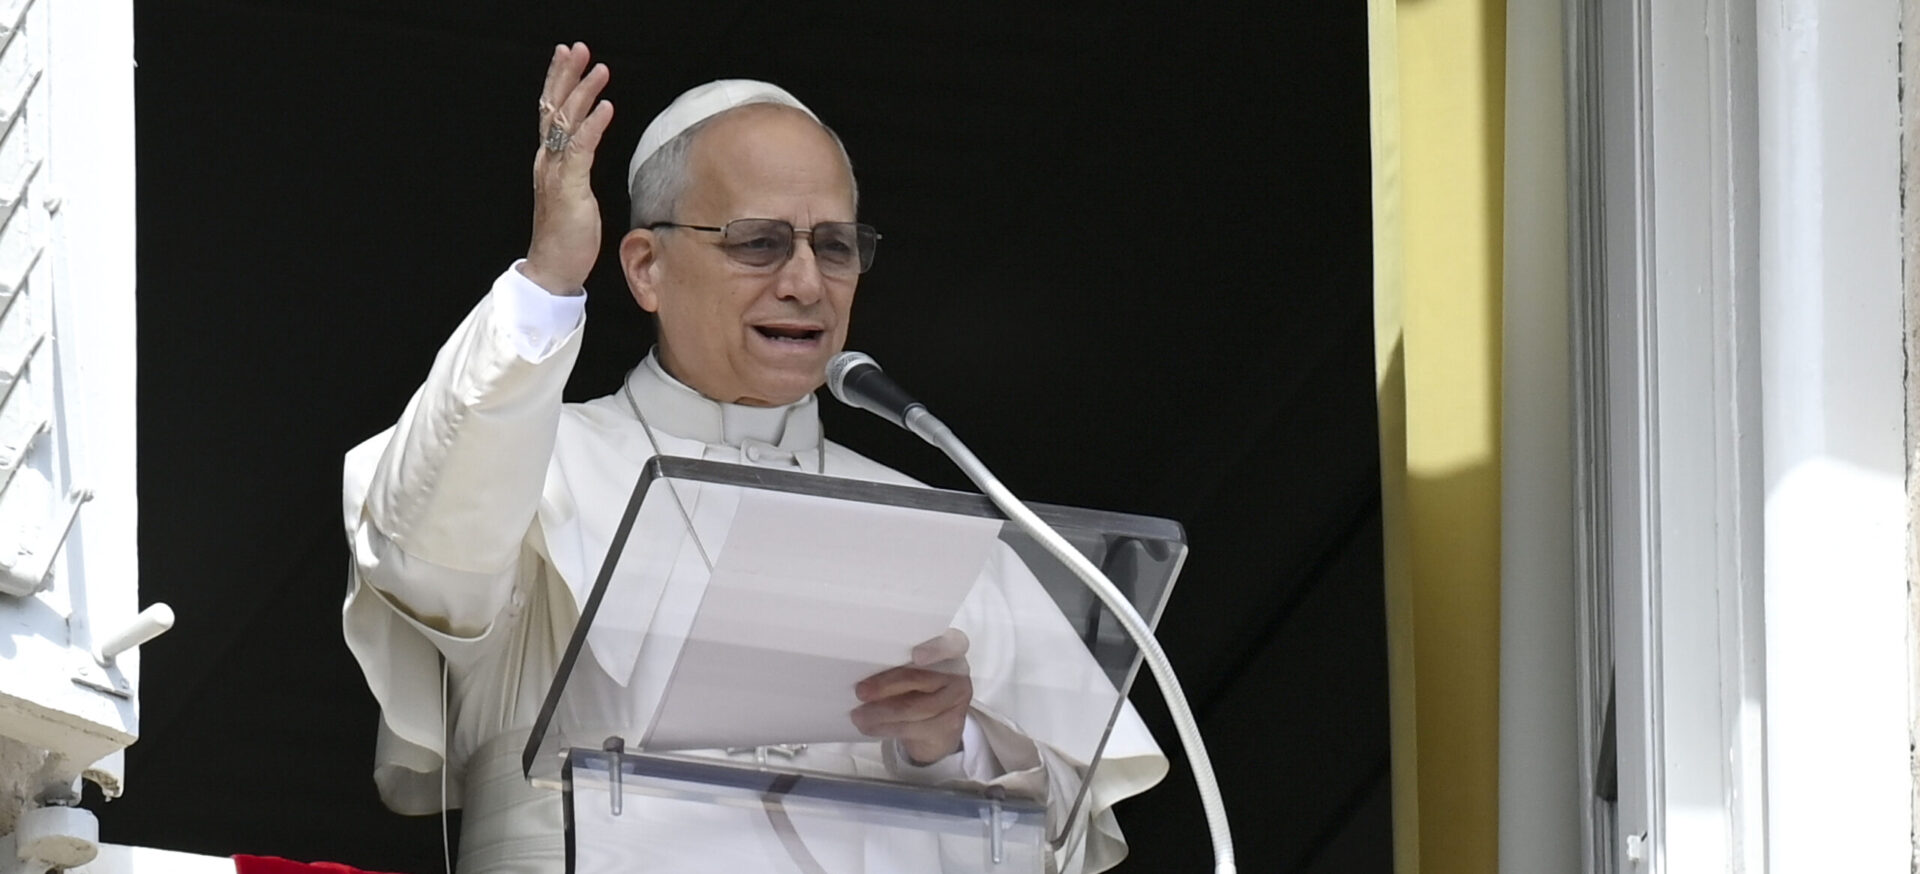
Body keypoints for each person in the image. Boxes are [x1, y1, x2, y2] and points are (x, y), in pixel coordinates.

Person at [340, 43, 1166, 873]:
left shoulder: (925, 517)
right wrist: (550, 277)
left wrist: (944, 745)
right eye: (760, 243)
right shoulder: (536, 464)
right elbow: (423, 555)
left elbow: (1063, 832)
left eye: (835, 246)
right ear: (646, 267)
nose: (807, 281)